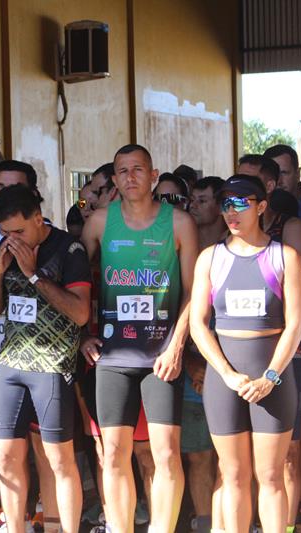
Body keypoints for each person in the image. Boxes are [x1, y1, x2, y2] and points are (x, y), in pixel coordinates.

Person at [81, 144, 199, 533]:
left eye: (138, 169)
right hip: (113, 357)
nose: (130, 177)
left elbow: (194, 293)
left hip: (160, 356)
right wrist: (83, 335)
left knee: (165, 454)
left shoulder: (179, 223)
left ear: (153, 175)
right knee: (114, 454)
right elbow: (76, 282)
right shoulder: (99, 222)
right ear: (114, 180)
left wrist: (177, 345)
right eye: (122, 171)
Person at [190, 174, 301, 533]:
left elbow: (295, 325)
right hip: (226, 380)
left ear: (261, 206)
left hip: (272, 378)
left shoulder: (284, 257)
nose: (231, 211)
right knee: (233, 474)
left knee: (271, 475)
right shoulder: (210, 258)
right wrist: (226, 373)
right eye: (226, 204)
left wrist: (270, 376)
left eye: (241, 203)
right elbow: (198, 323)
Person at [0, 184, 91, 533]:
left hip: (52, 366)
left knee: (58, 458)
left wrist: (33, 275)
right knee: (5, 456)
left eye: (19, 231)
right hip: (11, 363)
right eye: (5, 233)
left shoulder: (68, 248)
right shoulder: (6, 249)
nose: (12, 239)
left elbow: (80, 313)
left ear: (37, 218)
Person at [0, 160, 61, 532]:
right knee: (7, 450)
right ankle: (14, 519)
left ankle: (48, 516)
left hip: (45, 360)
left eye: (12, 188)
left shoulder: (56, 241)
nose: (3, 195)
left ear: (33, 197)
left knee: (45, 450)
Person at [238, 153, 301, 531]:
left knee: (285, 456)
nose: (238, 192)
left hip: (283, 358)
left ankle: (283, 525)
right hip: (236, 365)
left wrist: (273, 370)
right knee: (239, 461)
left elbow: (293, 308)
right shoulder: (226, 237)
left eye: (248, 182)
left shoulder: (290, 230)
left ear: (268, 188)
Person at [183, 175, 226, 533]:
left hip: (231, 367)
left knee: (233, 459)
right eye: (191, 200)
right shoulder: (182, 249)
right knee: (198, 455)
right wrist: (191, 363)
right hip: (191, 364)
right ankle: (203, 523)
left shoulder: (237, 251)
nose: (193, 206)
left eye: (201, 200)